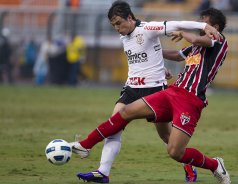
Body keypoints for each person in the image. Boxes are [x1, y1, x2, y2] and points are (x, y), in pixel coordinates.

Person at [70, 1, 221, 183]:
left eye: (119, 23)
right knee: (115, 126)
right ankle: (103, 172)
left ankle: (187, 164)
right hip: (131, 88)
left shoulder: (149, 28)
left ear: (130, 18)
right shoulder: (124, 37)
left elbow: (176, 24)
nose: (117, 28)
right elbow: (145, 55)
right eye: (113, 25)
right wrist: (160, 67)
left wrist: (203, 26)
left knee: (167, 137)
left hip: (155, 88)